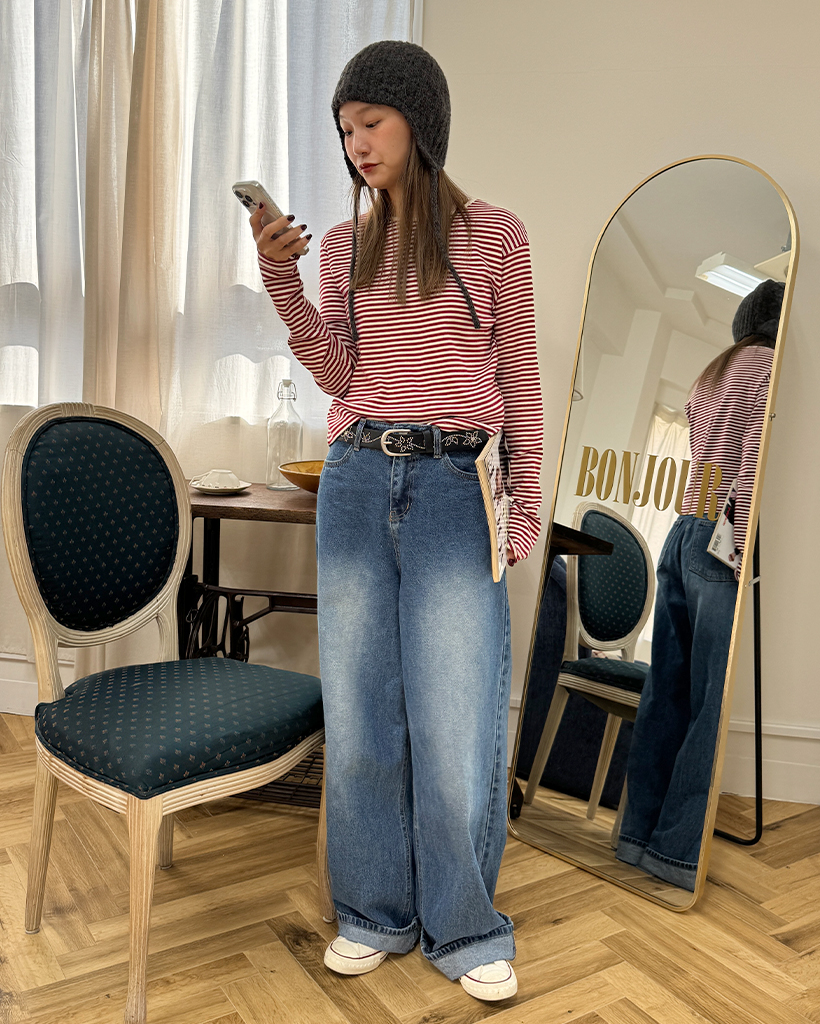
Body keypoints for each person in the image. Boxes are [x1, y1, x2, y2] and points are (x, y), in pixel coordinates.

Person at [248, 41, 542, 1001]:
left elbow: (519, 379)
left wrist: (526, 506)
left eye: (371, 122)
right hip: (356, 479)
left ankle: (465, 925)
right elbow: (340, 372)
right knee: (362, 708)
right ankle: (374, 910)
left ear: (422, 120)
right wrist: (281, 279)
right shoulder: (343, 245)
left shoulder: (494, 235)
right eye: (345, 130)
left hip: (457, 487)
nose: (357, 144)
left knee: (456, 716)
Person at [616, 278, 784, 891]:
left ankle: (636, 837)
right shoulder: (768, 366)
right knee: (709, 704)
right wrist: (741, 547)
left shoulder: (712, 374)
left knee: (666, 691)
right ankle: (675, 854)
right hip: (725, 534)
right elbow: (754, 459)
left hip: (685, 528)